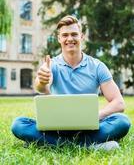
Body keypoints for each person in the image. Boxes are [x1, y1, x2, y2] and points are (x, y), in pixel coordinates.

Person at [11, 15, 131, 150]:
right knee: (18, 124)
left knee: (122, 121)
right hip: (57, 127)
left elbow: (119, 102)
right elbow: (41, 87)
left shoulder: (97, 66)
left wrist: (95, 116)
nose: (70, 39)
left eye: (74, 34)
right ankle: (89, 146)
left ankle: (51, 144)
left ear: (82, 37)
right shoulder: (52, 65)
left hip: (89, 128)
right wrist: (42, 81)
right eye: (65, 35)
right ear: (59, 39)